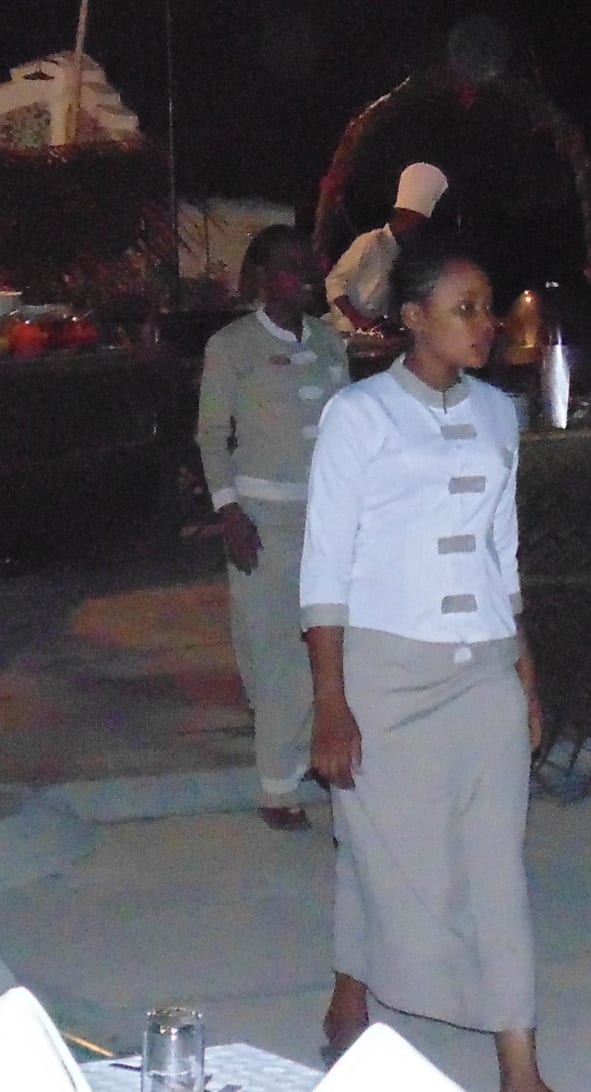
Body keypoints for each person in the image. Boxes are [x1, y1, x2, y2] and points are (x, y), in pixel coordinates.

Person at [301, 238, 553, 1092]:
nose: (485, 325)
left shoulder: (499, 414)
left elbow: (502, 555)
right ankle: (351, 995)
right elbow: (325, 567)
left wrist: (523, 671)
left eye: (488, 308)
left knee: (495, 861)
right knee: (379, 849)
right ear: (413, 318)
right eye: (464, 309)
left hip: (483, 666)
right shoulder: (360, 416)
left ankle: (519, 1063)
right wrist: (330, 701)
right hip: (383, 673)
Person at [195, 225, 351, 830]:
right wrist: (229, 512)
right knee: (272, 651)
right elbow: (212, 436)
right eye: (289, 266)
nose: (304, 276)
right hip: (263, 520)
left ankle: (320, 759)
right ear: (261, 278)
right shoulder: (232, 346)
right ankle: (277, 788)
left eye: (308, 264)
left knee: (329, 646)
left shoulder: (329, 341)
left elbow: (352, 426)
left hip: (329, 519)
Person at [324, 162, 448, 331]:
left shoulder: (403, 255)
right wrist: (356, 318)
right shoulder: (371, 241)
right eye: (416, 224)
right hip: (342, 328)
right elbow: (334, 281)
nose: (418, 232)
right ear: (404, 216)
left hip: (373, 332)